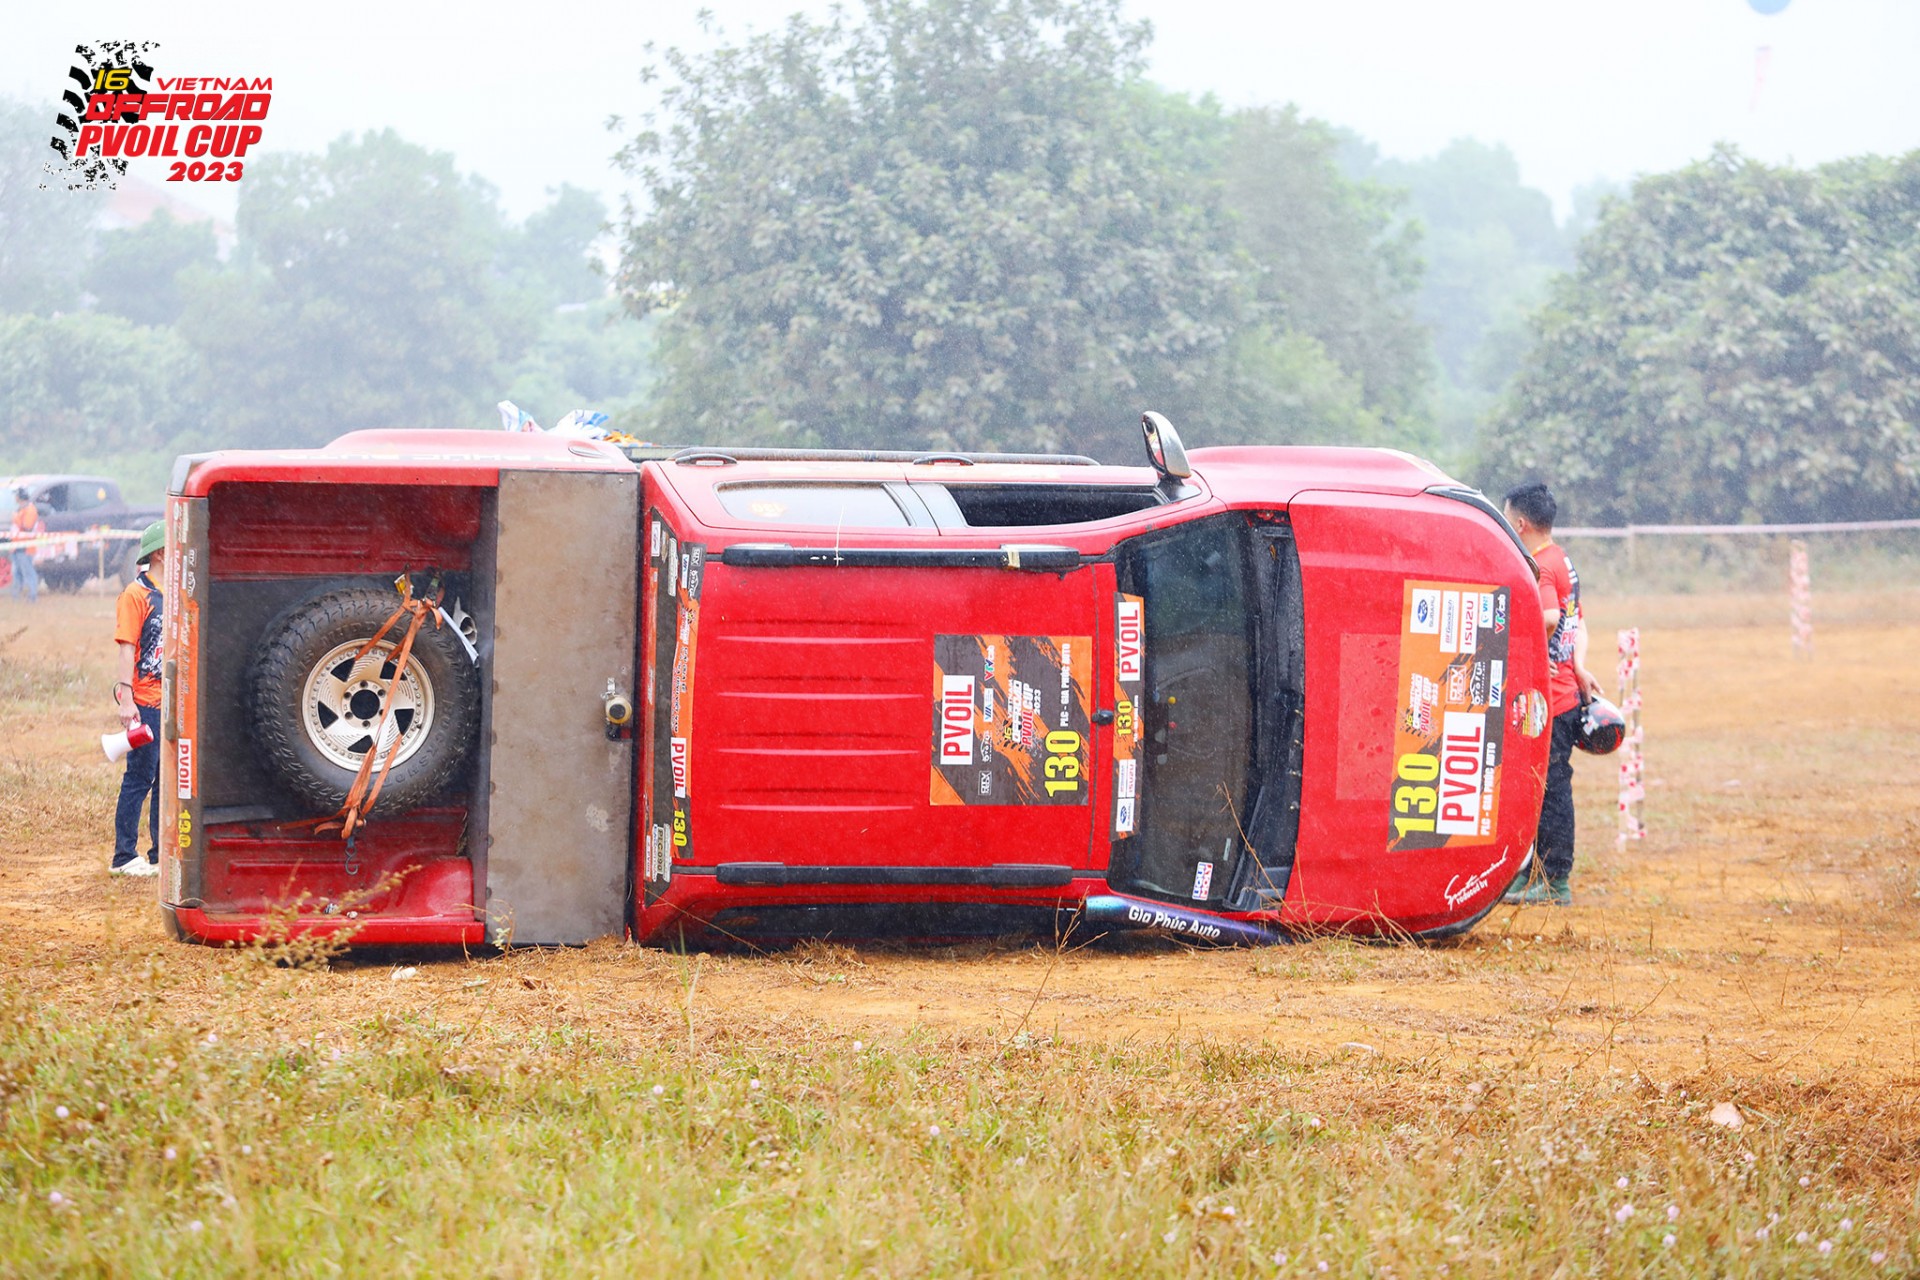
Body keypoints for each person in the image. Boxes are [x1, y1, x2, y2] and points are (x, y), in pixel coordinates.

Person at [1502, 482, 1598, 906]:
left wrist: (1513, 644)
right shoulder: (1564, 561)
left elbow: (1549, 617)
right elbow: (1577, 623)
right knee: (1541, 786)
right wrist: (1577, 664)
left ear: (1521, 524)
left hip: (1551, 699)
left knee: (1551, 787)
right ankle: (1534, 873)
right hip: (1563, 690)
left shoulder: (1540, 564)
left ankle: (1555, 880)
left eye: (1506, 520)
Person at [111, 522, 166, 877]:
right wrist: (126, 698)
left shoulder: (176, 592)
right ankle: (124, 856)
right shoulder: (136, 594)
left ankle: (161, 853)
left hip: (173, 700)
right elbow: (127, 647)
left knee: (167, 781)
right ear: (160, 553)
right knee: (140, 777)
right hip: (144, 699)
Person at [8, 488, 39, 603]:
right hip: (17, 545)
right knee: (17, 572)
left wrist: (16, 518)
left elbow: (28, 526)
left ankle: (33, 596)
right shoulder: (21, 509)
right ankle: (16, 596)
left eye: (16, 496)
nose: (15, 498)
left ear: (21, 497)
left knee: (28, 572)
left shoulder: (30, 510)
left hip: (26, 546)